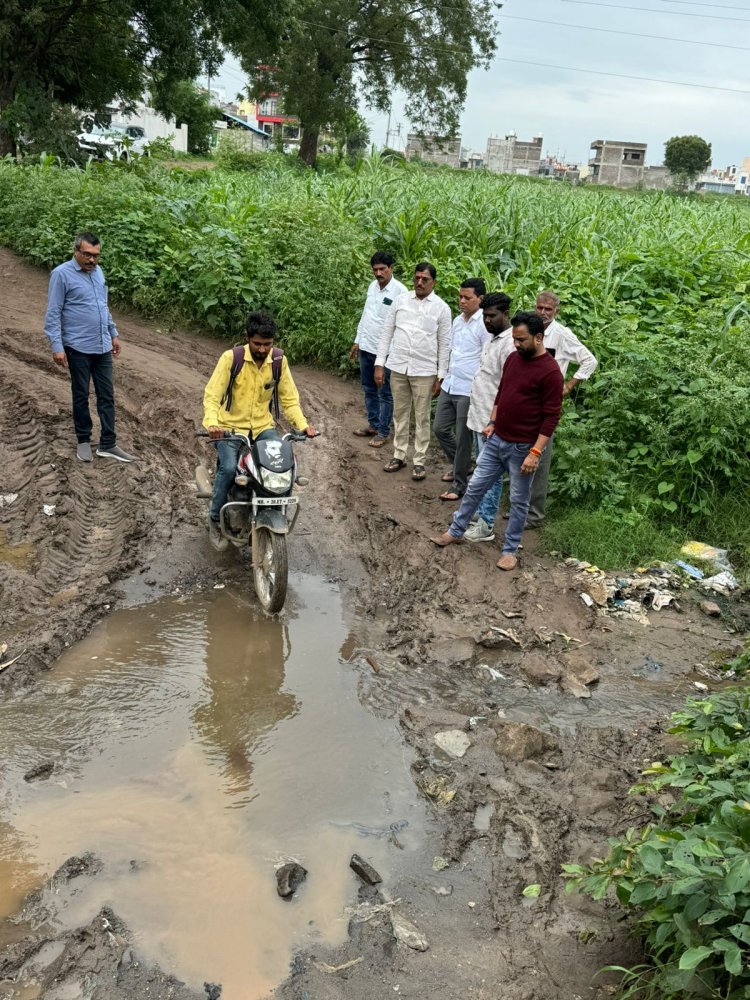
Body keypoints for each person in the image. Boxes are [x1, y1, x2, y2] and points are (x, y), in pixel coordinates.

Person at [431, 312, 563, 571]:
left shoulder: (551, 372)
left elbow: (551, 418)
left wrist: (535, 451)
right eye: (514, 339)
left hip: (523, 448)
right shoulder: (514, 359)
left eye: (521, 339)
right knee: (476, 486)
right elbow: (501, 392)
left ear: (539, 337)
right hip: (497, 439)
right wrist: (492, 422)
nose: (516, 344)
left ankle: (510, 549)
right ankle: (456, 530)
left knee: (518, 499)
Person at [202, 311, 317, 551]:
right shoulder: (230, 358)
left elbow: (289, 399)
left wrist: (303, 424)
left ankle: (273, 510)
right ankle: (214, 519)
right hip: (230, 428)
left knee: (282, 463)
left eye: (268, 344)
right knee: (229, 468)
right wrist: (213, 424)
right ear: (248, 338)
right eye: (258, 344)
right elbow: (212, 396)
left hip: (263, 427)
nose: (263, 350)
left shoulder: (278, 361)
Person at [44, 231, 135, 463]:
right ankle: (83, 440)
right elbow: (53, 313)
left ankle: (108, 444)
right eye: (87, 254)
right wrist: (57, 345)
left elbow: (102, 306)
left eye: (96, 255)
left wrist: (113, 332)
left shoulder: (98, 272)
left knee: (107, 396)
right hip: (77, 347)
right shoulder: (61, 275)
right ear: (76, 251)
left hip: (102, 346)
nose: (92, 260)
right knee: (81, 394)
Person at [525, 291, 598, 528]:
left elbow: (589, 360)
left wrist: (568, 385)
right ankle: (520, 508)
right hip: (526, 399)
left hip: (547, 403)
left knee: (540, 458)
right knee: (521, 455)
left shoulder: (562, 335)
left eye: (548, 309)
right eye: (540, 308)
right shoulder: (528, 327)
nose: (543, 313)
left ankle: (535, 514)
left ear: (557, 311)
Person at [374, 263, 451, 482]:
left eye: (425, 279)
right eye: (417, 278)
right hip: (398, 366)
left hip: (424, 371)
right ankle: (399, 455)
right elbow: (387, 332)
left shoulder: (441, 308)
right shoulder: (400, 301)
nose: (419, 282)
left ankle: (419, 460)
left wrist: (441, 375)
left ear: (433, 282)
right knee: (399, 413)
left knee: (422, 416)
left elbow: (444, 344)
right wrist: (380, 363)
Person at [462, 293, 514, 541]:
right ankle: (481, 512)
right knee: (482, 470)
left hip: (492, 422)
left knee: (491, 475)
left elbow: (508, 387)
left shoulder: (509, 345)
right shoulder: (492, 340)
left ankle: (486, 525)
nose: (487, 320)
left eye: (492, 316)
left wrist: (496, 421)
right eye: (484, 316)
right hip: (478, 416)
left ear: (506, 315)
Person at [433, 278, 487, 501]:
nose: (462, 301)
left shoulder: (484, 324)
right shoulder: (457, 321)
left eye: (467, 297)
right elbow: (449, 350)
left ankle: (459, 484)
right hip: (451, 383)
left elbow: (486, 358)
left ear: (480, 299)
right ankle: (462, 466)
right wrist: (442, 375)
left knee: (464, 438)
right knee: (440, 428)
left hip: (468, 389)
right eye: (460, 297)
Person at [349, 252, 407, 448]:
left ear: (391, 268)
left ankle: (383, 431)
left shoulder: (400, 292)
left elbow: (400, 327)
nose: (379, 273)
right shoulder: (372, 287)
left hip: (385, 353)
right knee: (368, 389)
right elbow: (367, 315)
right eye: (375, 270)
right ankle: (373, 425)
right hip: (366, 346)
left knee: (385, 393)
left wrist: (388, 355)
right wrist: (358, 340)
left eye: (383, 269)